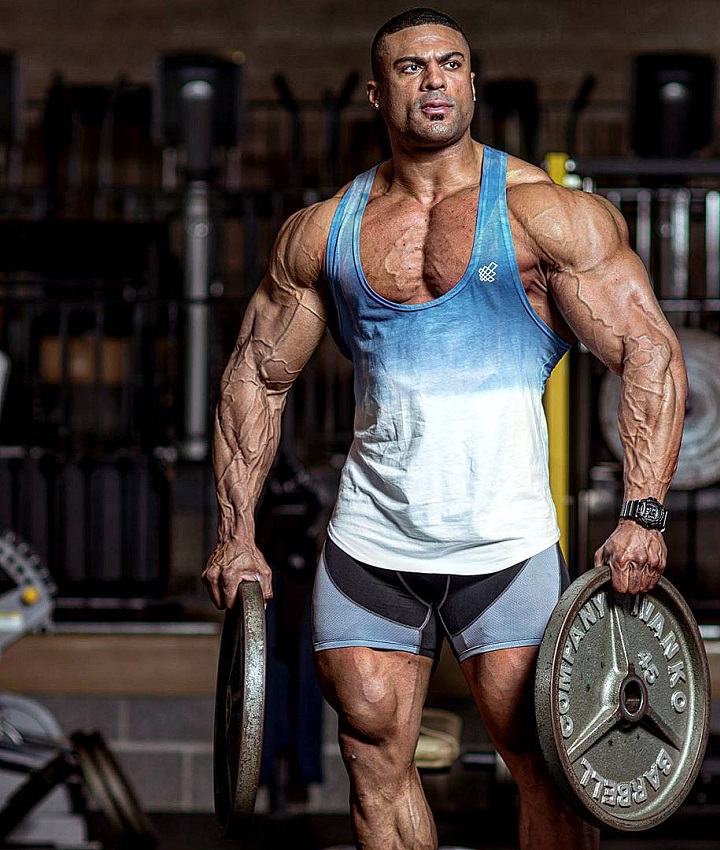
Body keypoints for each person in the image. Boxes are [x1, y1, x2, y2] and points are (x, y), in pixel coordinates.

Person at [202, 7, 687, 849]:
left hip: (504, 547)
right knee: (372, 755)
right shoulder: (324, 231)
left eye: (451, 64)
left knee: (546, 768)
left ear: (471, 81)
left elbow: (649, 351)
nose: (435, 81)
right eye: (413, 67)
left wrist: (643, 513)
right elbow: (255, 373)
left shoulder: (546, 213)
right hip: (370, 545)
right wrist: (235, 533)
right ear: (375, 92)